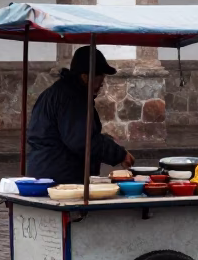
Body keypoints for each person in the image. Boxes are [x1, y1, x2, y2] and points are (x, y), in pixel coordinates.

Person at [26, 45, 134, 184]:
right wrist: (119, 154)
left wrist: (106, 140)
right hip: (60, 175)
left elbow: (74, 132)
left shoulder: (58, 92)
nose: (102, 84)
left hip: (47, 169)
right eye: (100, 78)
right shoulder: (72, 97)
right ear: (85, 77)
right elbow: (82, 140)